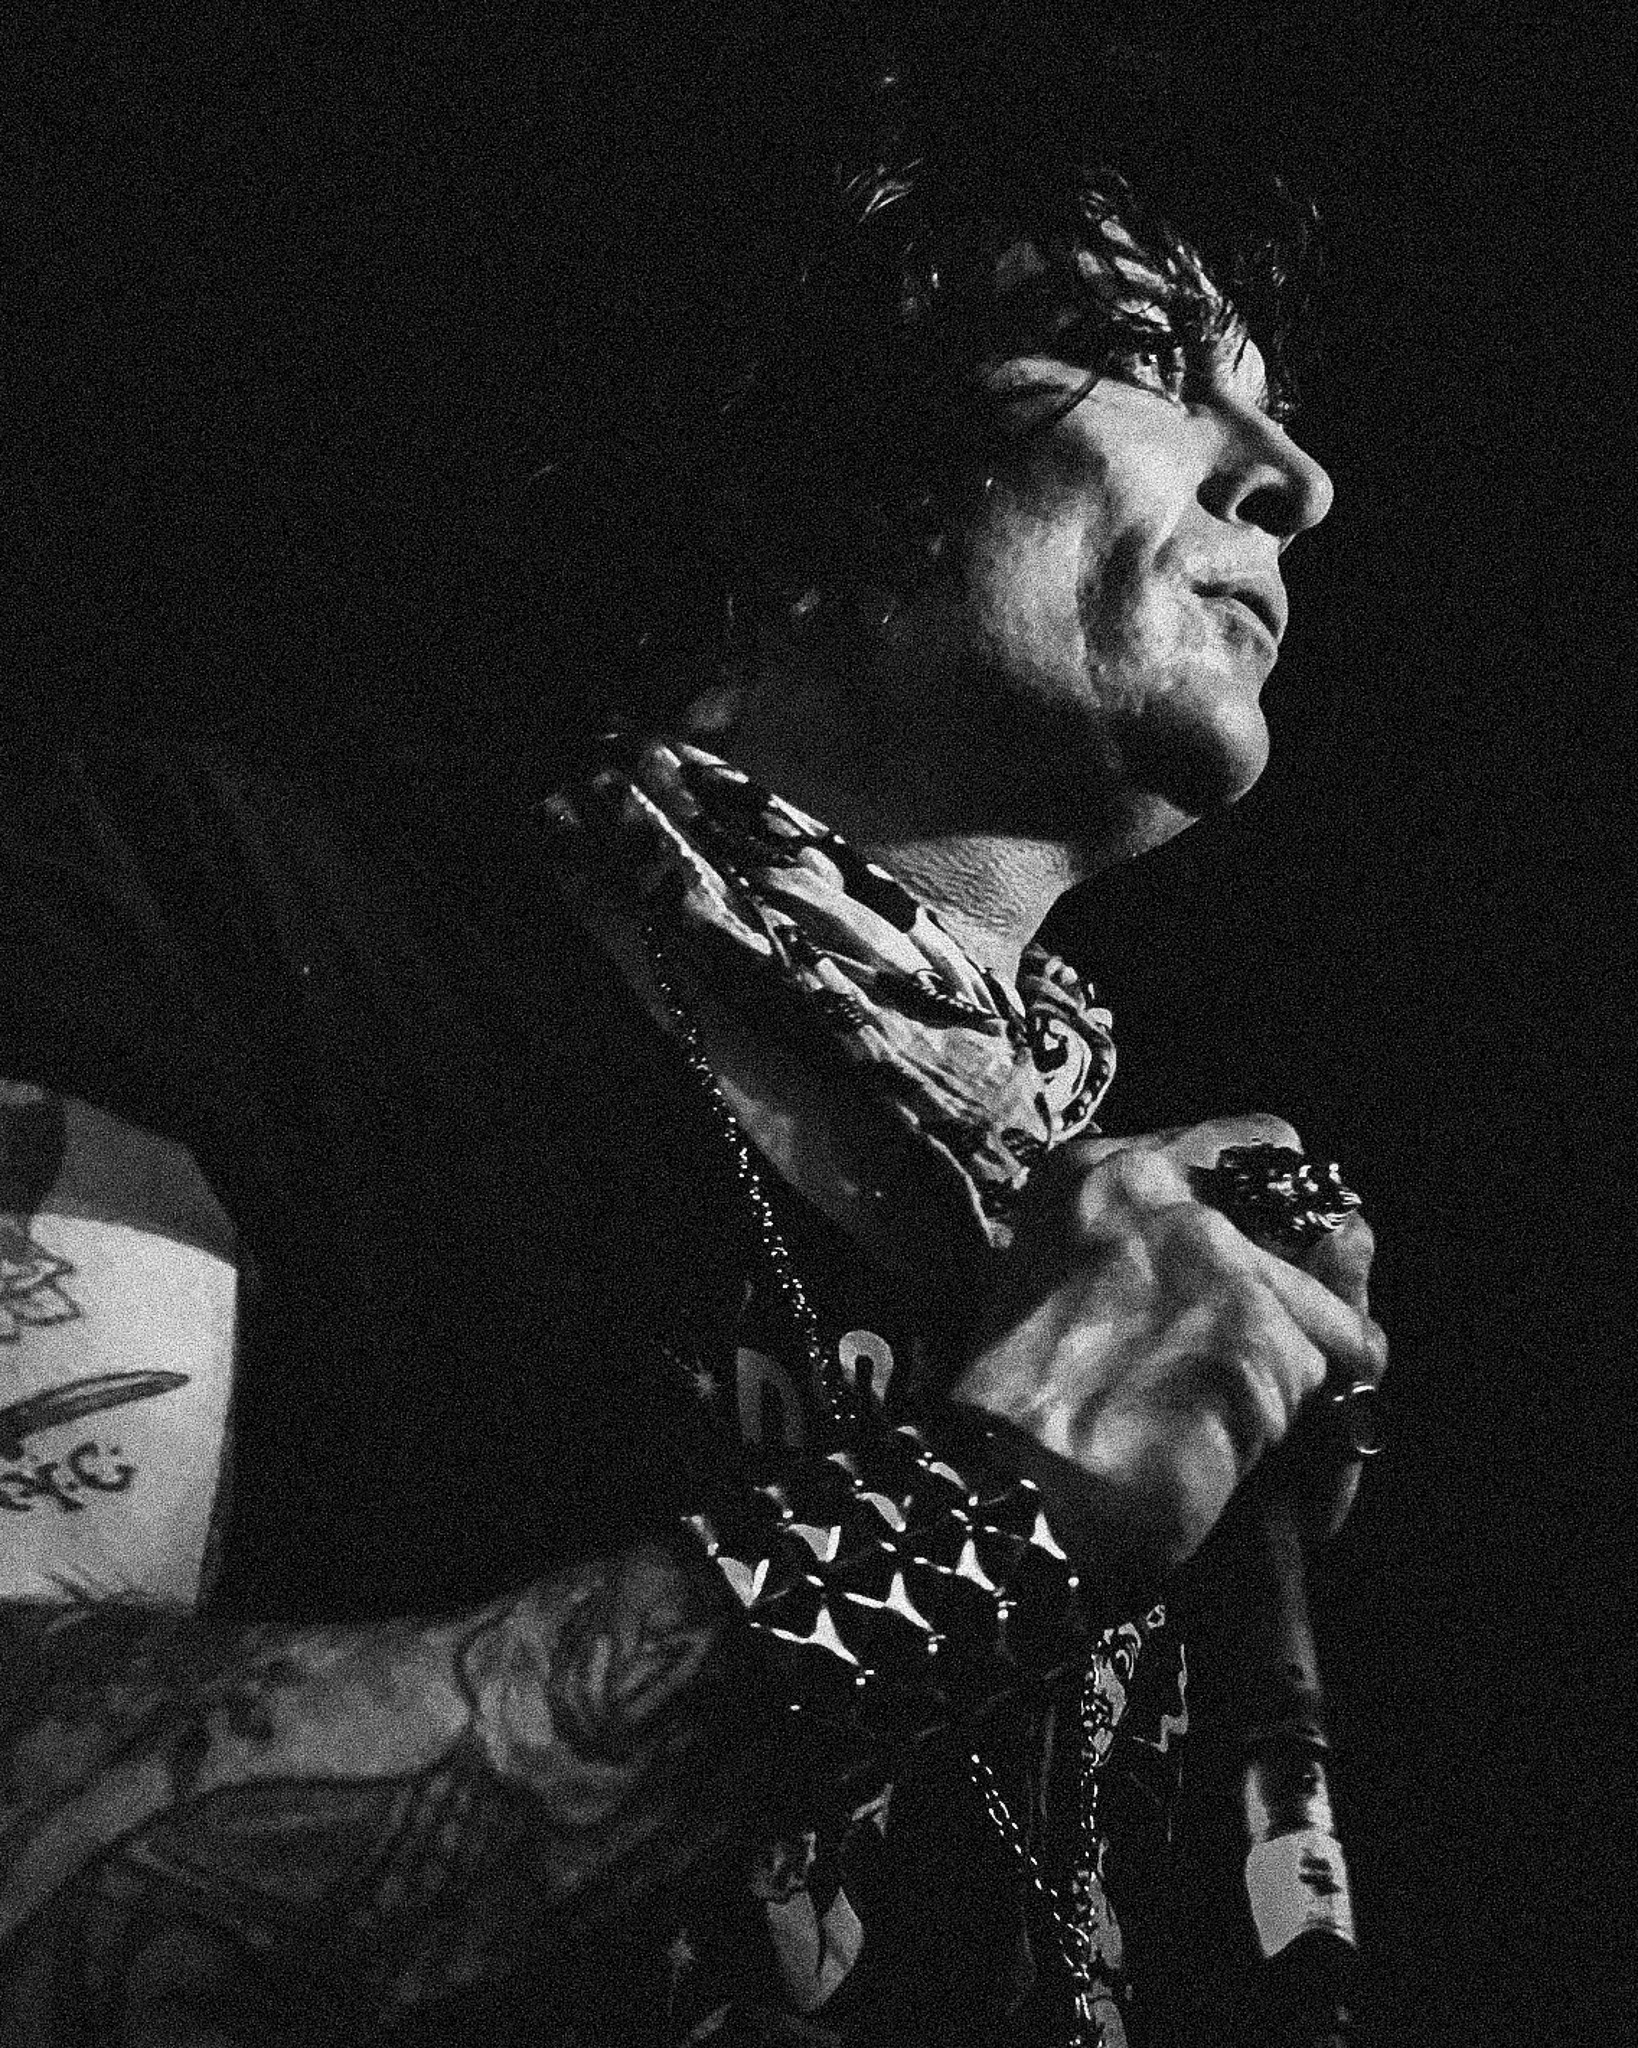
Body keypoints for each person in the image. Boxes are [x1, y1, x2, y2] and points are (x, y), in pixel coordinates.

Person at [1, 26, 1387, 2048]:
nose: (1295, 479)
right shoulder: (229, 916)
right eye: (1147, 357)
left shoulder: (1120, 1262)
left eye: (1276, 402)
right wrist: (990, 1510)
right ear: (814, 457)